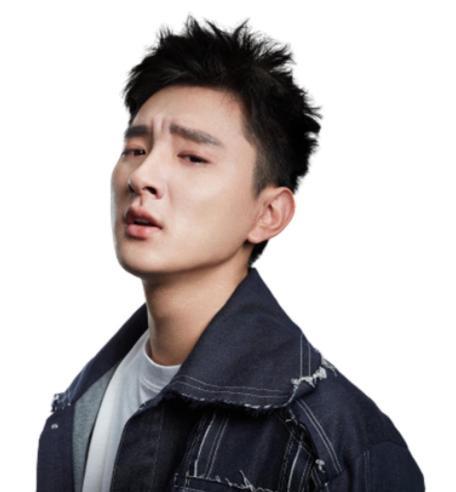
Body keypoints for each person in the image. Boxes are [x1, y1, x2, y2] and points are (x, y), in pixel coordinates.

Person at [36, 15, 425, 491]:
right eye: (135, 149)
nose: (142, 177)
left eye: (192, 157)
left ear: (269, 214)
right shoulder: (79, 405)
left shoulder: (338, 443)